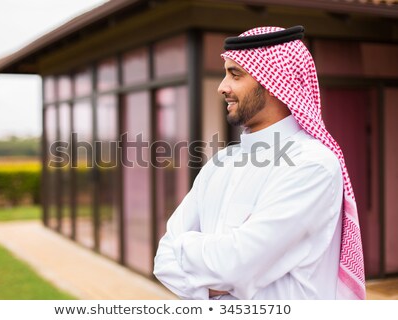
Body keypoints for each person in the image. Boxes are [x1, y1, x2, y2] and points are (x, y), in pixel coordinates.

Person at [153, 26, 366, 300]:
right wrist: (225, 274)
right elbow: (163, 259)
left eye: (235, 74)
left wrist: (199, 261)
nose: (222, 87)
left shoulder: (313, 165)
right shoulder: (222, 163)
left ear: (275, 81)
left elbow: (235, 265)